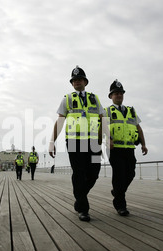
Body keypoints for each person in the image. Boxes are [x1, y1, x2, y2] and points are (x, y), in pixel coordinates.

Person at [49, 66, 106, 222]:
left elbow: (103, 119)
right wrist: (52, 141)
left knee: (94, 173)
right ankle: (83, 208)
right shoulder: (67, 99)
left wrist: (103, 140)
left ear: (85, 82)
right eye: (74, 80)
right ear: (72, 83)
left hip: (94, 142)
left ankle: (79, 197)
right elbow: (60, 121)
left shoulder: (95, 98)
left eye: (79, 79)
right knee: (79, 173)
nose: (77, 82)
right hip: (74, 142)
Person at [105, 79, 148, 216]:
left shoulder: (131, 111)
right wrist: (109, 139)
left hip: (129, 149)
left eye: (120, 93)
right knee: (119, 175)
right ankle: (120, 205)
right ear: (111, 96)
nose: (118, 95)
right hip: (114, 149)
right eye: (115, 93)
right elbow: (103, 128)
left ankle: (117, 191)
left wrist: (144, 144)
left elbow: (138, 128)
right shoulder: (107, 111)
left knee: (131, 173)